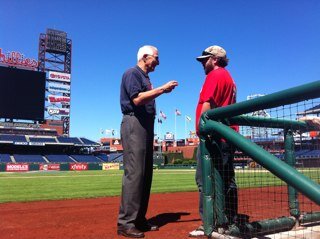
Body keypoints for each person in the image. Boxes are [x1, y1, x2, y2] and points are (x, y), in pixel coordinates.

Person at [117, 45, 178, 238]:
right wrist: (162, 89)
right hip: (134, 122)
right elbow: (137, 99)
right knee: (135, 174)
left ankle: (139, 219)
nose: (158, 63)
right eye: (156, 59)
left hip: (145, 125)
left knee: (145, 174)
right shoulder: (132, 73)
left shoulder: (145, 77)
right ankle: (126, 223)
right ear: (145, 57)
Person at [189, 45, 238, 237]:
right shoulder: (229, 77)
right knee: (226, 180)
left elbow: (207, 106)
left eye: (205, 59)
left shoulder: (215, 75)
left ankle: (210, 223)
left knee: (205, 180)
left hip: (214, 137)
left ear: (215, 59)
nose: (202, 63)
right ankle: (228, 221)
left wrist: (202, 131)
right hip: (227, 135)